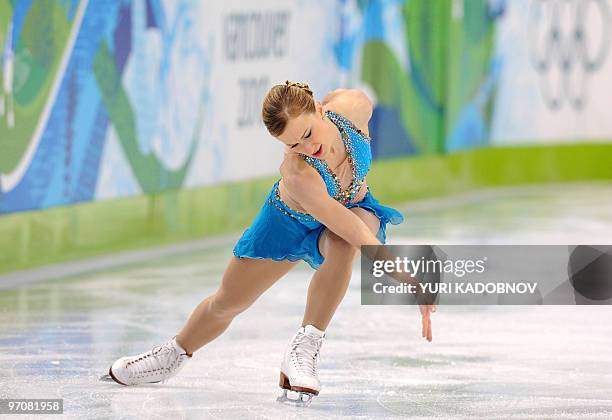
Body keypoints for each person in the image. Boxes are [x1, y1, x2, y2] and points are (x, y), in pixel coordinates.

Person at [105, 81, 436, 405]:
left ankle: (304, 348)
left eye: (307, 134)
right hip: (285, 222)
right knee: (227, 302)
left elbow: (353, 232)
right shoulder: (299, 173)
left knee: (342, 245)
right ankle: (172, 353)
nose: (306, 149)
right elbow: (351, 229)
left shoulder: (354, 107)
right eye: (293, 145)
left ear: (320, 109)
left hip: (351, 207)